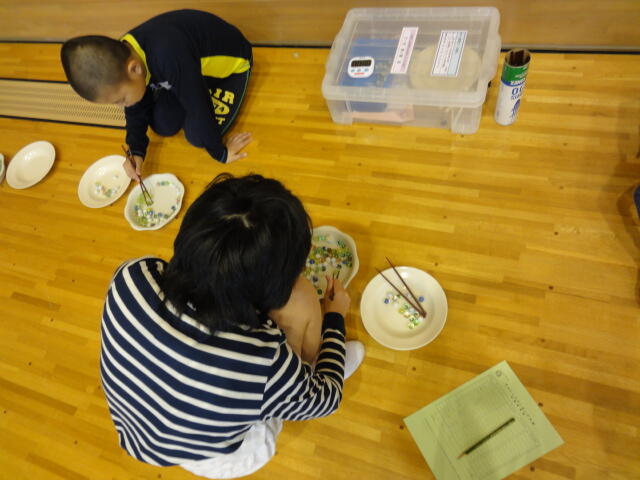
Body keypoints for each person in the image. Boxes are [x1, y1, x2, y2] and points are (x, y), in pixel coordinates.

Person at [100, 173, 365, 478]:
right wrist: (334, 318)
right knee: (303, 302)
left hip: (145, 433)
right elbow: (327, 400)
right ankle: (315, 371)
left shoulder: (132, 275)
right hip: (217, 455)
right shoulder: (261, 362)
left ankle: (290, 385)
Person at [61, 9, 253, 180]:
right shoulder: (126, 54)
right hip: (189, 72)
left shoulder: (168, 54)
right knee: (162, 124)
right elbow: (135, 107)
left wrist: (220, 152)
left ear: (135, 69)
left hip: (230, 68)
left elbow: (198, 106)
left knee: (198, 136)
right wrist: (136, 150)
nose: (121, 107)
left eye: (121, 100)